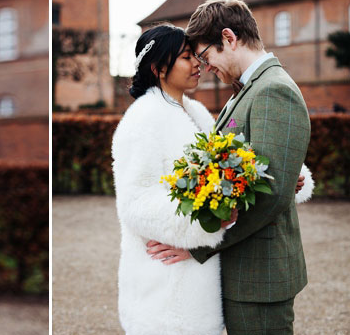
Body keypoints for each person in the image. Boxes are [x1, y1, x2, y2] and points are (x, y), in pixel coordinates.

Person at [112, 24, 313, 335]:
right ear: (158, 68)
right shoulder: (142, 120)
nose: (197, 63)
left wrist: (281, 177)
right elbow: (136, 203)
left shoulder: (198, 114)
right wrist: (204, 225)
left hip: (199, 273)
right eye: (185, 57)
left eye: (196, 55)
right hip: (165, 277)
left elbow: (222, 169)